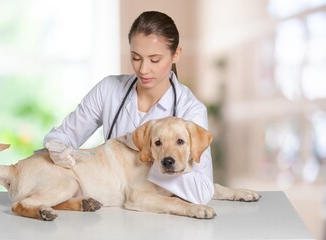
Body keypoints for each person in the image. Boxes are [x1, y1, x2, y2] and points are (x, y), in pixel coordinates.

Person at [43, 11, 214, 204]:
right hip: (110, 211)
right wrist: (56, 148)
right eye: (136, 57)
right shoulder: (108, 90)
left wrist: (152, 161)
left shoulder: (190, 110)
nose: (143, 69)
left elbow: (203, 190)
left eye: (155, 60)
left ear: (176, 55)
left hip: (161, 218)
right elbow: (61, 137)